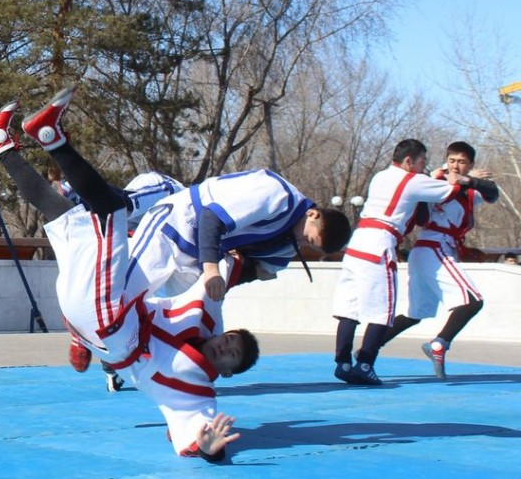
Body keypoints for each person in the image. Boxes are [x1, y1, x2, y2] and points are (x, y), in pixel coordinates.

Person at [0, 86, 259, 462]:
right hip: (99, 316)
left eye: (231, 354)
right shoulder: (204, 321)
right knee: (62, 215)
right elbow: (213, 284)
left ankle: (50, 137)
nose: (225, 346)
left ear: (227, 372)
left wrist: (209, 450)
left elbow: (194, 435)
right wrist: (238, 262)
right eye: (231, 340)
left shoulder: (196, 390)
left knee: (112, 211)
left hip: (111, 323)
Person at [331, 139, 478, 386]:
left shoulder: (380, 176)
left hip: (357, 242)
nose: (423, 167)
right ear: (409, 161)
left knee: (349, 307)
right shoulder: (413, 180)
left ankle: (343, 363)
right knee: (382, 309)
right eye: (422, 162)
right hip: (381, 241)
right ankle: (365, 364)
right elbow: (451, 190)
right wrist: (467, 179)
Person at [128, 166, 352, 303]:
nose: (303, 242)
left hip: (197, 258)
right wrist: (212, 269)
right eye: (309, 238)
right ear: (312, 214)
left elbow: (252, 271)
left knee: (190, 322)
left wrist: (243, 273)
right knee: (126, 299)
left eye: (310, 245)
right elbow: (211, 217)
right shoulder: (276, 193)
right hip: (174, 227)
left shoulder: (287, 246)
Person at [379, 141, 499, 379]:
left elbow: (492, 193)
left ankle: (368, 350)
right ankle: (440, 343)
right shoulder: (434, 180)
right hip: (434, 246)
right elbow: (423, 207)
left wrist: (471, 181)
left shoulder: (469, 187)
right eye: (452, 160)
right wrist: (446, 179)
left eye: (462, 162)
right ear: (446, 160)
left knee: (416, 313)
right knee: (472, 301)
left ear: (470, 165)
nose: (456, 165)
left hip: (433, 250)